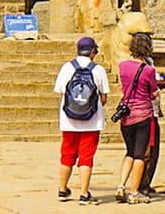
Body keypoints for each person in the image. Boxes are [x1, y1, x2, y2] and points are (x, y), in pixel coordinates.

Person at [113, 32, 165, 204]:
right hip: (143, 115)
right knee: (140, 154)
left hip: (126, 115)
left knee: (129, 152)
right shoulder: (148, 70)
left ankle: (121, 185)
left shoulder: (122, 65)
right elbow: (153, 93)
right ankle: (134, 193)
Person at [55, 36, 110, 205]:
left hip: (69, 120)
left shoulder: (67, 67)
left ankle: (62, 190)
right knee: (86, 157)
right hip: (91, 121)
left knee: (67, 155)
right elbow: (104, 97)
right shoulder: (98, 70)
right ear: (93, 52)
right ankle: (84, 193)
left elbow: (59, 90)